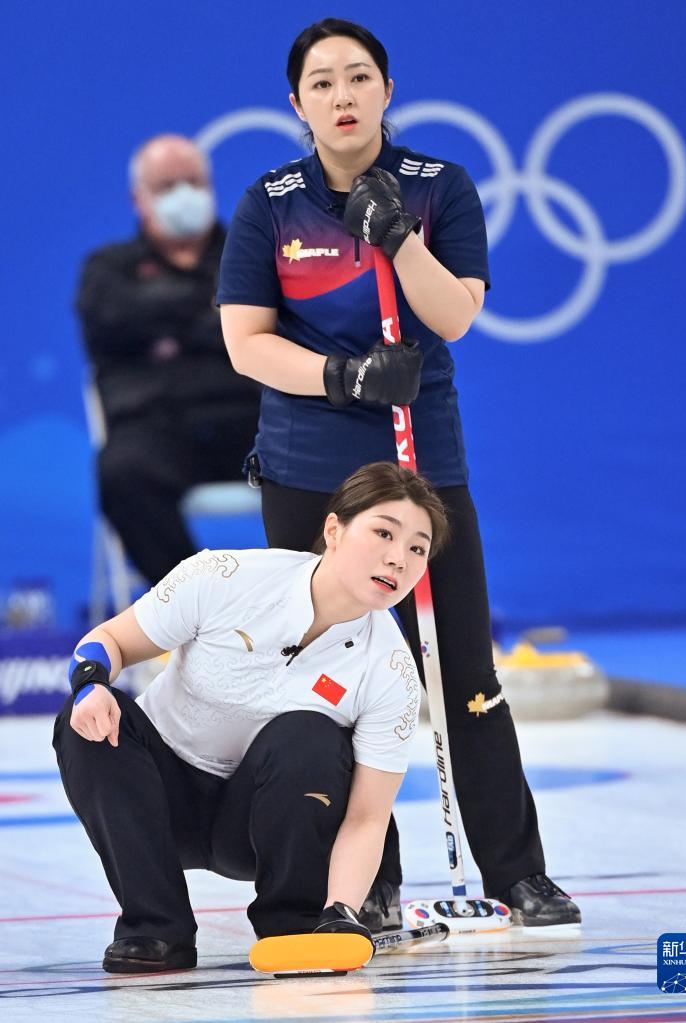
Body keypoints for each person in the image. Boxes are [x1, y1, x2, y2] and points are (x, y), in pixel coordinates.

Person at [217, 18, 581, 929]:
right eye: (322, 83)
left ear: (386, 91)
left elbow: (454, 317)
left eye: (359, 78)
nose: (342, 96)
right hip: (310, 466)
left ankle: (517, 869)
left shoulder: (437, 187)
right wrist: (341, 375)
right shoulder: (271, 202)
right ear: (296, 102)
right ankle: (364, 876)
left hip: (421, 465)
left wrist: (399, 240)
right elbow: (245, 343)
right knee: (334, 673)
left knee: (460, 665)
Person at [53, 462, 448, 973]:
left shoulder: (392, 668)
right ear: (333, 530)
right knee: (83, 719)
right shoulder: (224, 577)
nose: (398, 559)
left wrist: (341, 911)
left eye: (418, 548)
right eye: (383, 533)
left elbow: (367, 817)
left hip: (261, 825)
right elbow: (106, 642)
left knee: (309, 734)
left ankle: (296, 923)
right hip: (159, 801)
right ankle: (156, 931)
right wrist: (90, 686)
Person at [76, 133, 261, 586]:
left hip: (255, 423)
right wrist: (209, 312)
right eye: (166, 185)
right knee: (120, 473)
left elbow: (281, 326)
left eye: (193, 181)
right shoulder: (107, 268)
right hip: (158, 431)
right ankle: (193, 605)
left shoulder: (251, 255)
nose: (183, 194)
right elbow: (114, 320)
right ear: (138, 199)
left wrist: (166, 324)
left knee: (335, 449)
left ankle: (311, 607)